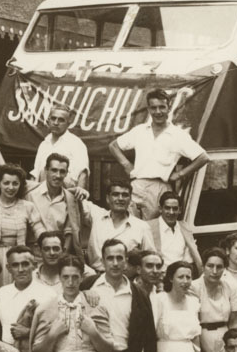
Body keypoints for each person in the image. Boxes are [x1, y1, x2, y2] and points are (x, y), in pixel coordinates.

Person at [109, 89, 210, 220]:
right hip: (136, 186)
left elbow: (203, 157)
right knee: (129, 225)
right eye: (153, 108)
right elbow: (113, 146)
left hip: (160, 188)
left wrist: (180, 174)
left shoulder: (178, 135)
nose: (158, 112)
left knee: (153, 228)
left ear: (169, 108)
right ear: (149, 110)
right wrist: (126, 165)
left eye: (162, 107)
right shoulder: (140, 131)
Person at [0, 164, 44, 285]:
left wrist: (47, 242)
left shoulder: (28, 206)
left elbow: (40, 232)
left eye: (15, 183)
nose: (11, 187)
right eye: (6, 183)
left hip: (17, 258)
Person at [27, 153, 89, 256]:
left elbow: (69, 231)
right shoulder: (30, 194)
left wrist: (63, 254)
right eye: (54, 170)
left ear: (66, 173)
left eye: (62, 171)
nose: (58, 175)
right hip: (33, 255)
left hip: (56, 254)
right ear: (46, 170)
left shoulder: (69, 199)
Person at [191, 248, 237, 352]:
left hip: (225, 338)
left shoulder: (230, 286)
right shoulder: (194, 287)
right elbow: (194, 325)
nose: (214, 271)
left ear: (224, 268)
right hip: (200, 338)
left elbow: (234, 322)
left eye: (219, 267)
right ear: (203, 267)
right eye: (210, 266)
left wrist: (231, 346)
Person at [0, 246, 55, 352]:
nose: (20, 270)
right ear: (8, 268)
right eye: (15, 265)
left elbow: (54, 330)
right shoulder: (1, 294)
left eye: (25, 264)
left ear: (34, 266)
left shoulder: (48, 294)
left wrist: (29, 332)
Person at [86, 180, 155, 272]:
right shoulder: (96, 216)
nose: (120, 198)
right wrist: (81, 191)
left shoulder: (142, 227)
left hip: (127, 277)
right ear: (108, 198)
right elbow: (74, 198)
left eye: (125, 195)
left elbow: (151, 259)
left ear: (130, 199)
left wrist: (135, 257)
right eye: (115, 194)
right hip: (96, 275)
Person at [32, 105, 90, 188]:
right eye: (53, 118)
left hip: (66, 192)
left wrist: (79, 194)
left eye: (61, 120)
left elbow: (83, 174)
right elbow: (36, 173)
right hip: (42, 192)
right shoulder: (44, 144)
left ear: (68, 123)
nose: (56, 123)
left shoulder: (76, 143)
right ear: (48, 120)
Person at [149, 191, 201, 271]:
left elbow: (189, 258)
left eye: (175, 208)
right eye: (167, 208)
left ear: (180, 210)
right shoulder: (149, 227)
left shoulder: (184, 228)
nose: (171, 212)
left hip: (181, 274)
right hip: (158, 274)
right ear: (160, 209)